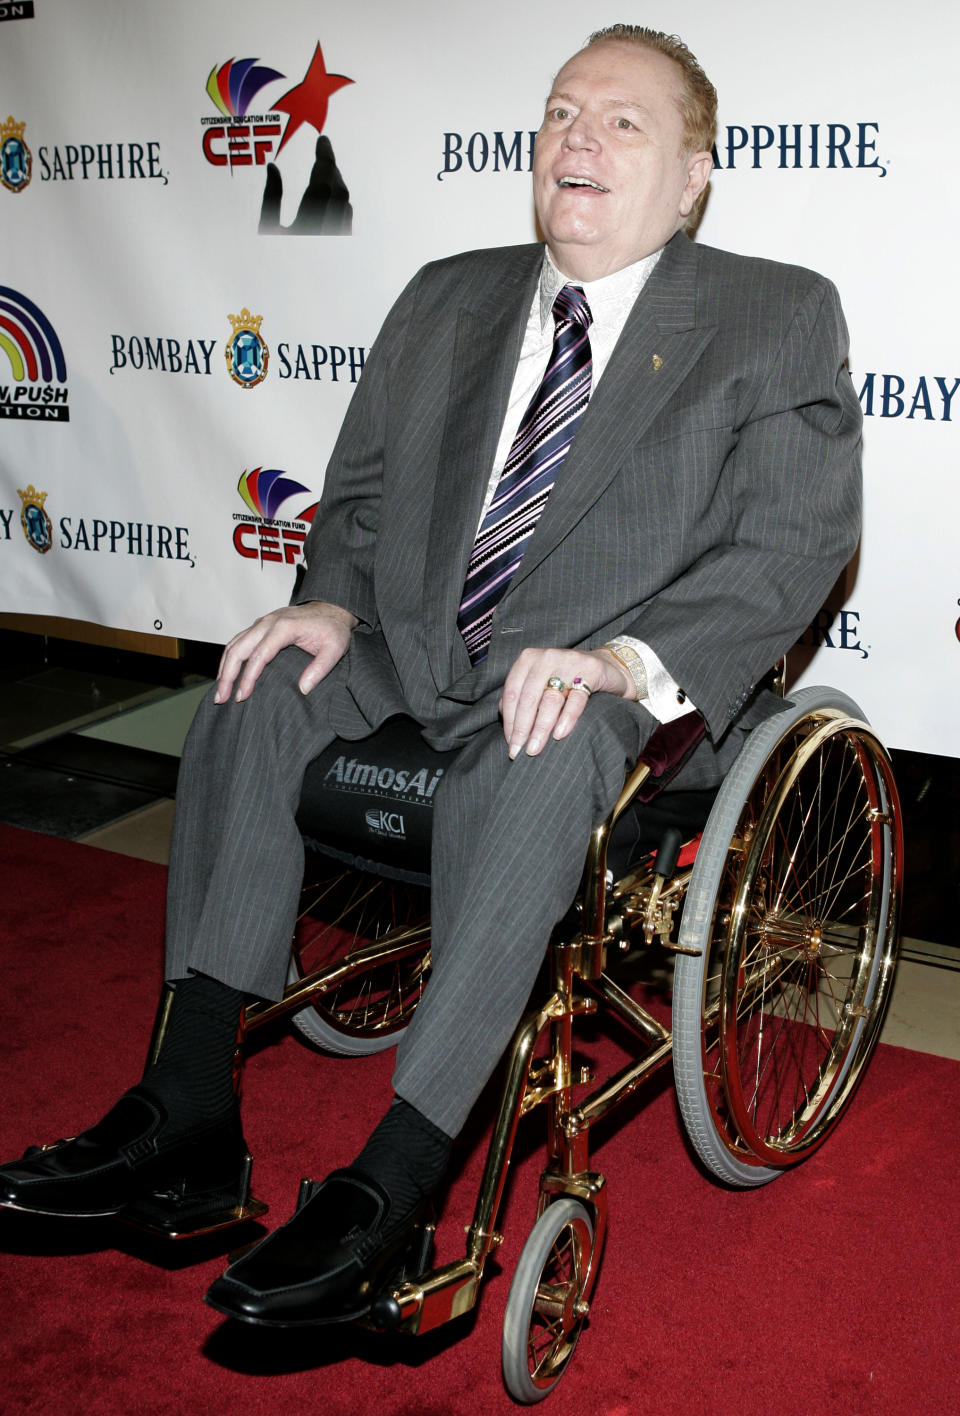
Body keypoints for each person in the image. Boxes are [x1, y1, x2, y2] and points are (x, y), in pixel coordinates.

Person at [0, 25, 861, 1328]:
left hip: (606, 673)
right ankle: (185, 1115)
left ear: (693, 177)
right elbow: (359, 497)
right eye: (563, 111)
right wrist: (332, 605)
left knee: (542, 733)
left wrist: (625, 659)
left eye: (624, 123)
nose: (579, 136)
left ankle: (402, 1180)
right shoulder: (448, 294)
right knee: (256, 683)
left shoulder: (771, 315)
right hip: (413, 642)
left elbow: (793, 543)